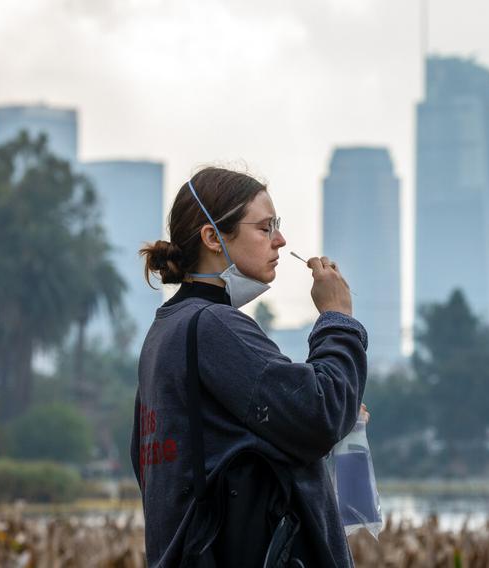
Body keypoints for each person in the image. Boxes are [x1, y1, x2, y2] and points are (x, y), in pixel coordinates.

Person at [132, 167, 369, 567]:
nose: (280, 240)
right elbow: (320, 414)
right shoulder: (213, 326)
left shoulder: (166, 330)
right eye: (265, 228)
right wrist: (337, 318)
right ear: (212, 237)